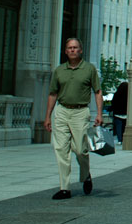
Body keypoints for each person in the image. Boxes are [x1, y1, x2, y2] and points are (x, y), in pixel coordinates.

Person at [43, 37, 103, 200]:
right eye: (69, 48)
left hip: (80, 112)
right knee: (61, 149)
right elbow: (53, 93)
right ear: (65, 51)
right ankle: (65, 188)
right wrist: (48, 116)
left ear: (81, 50)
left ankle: (86, 175)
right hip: (61, 111)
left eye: (75, 47)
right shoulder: (59, 70)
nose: (72, 50)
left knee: (80, 149)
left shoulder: (89, 69)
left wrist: (99, 113)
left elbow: (97, 92)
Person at [109, 78, 128, 145]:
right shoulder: (129, 95)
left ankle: (119, 140)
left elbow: (113, 103)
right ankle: (123, 138)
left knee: (118, 127)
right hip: (126, 113)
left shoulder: (116, 94)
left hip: (117, 113)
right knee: (124, 127)